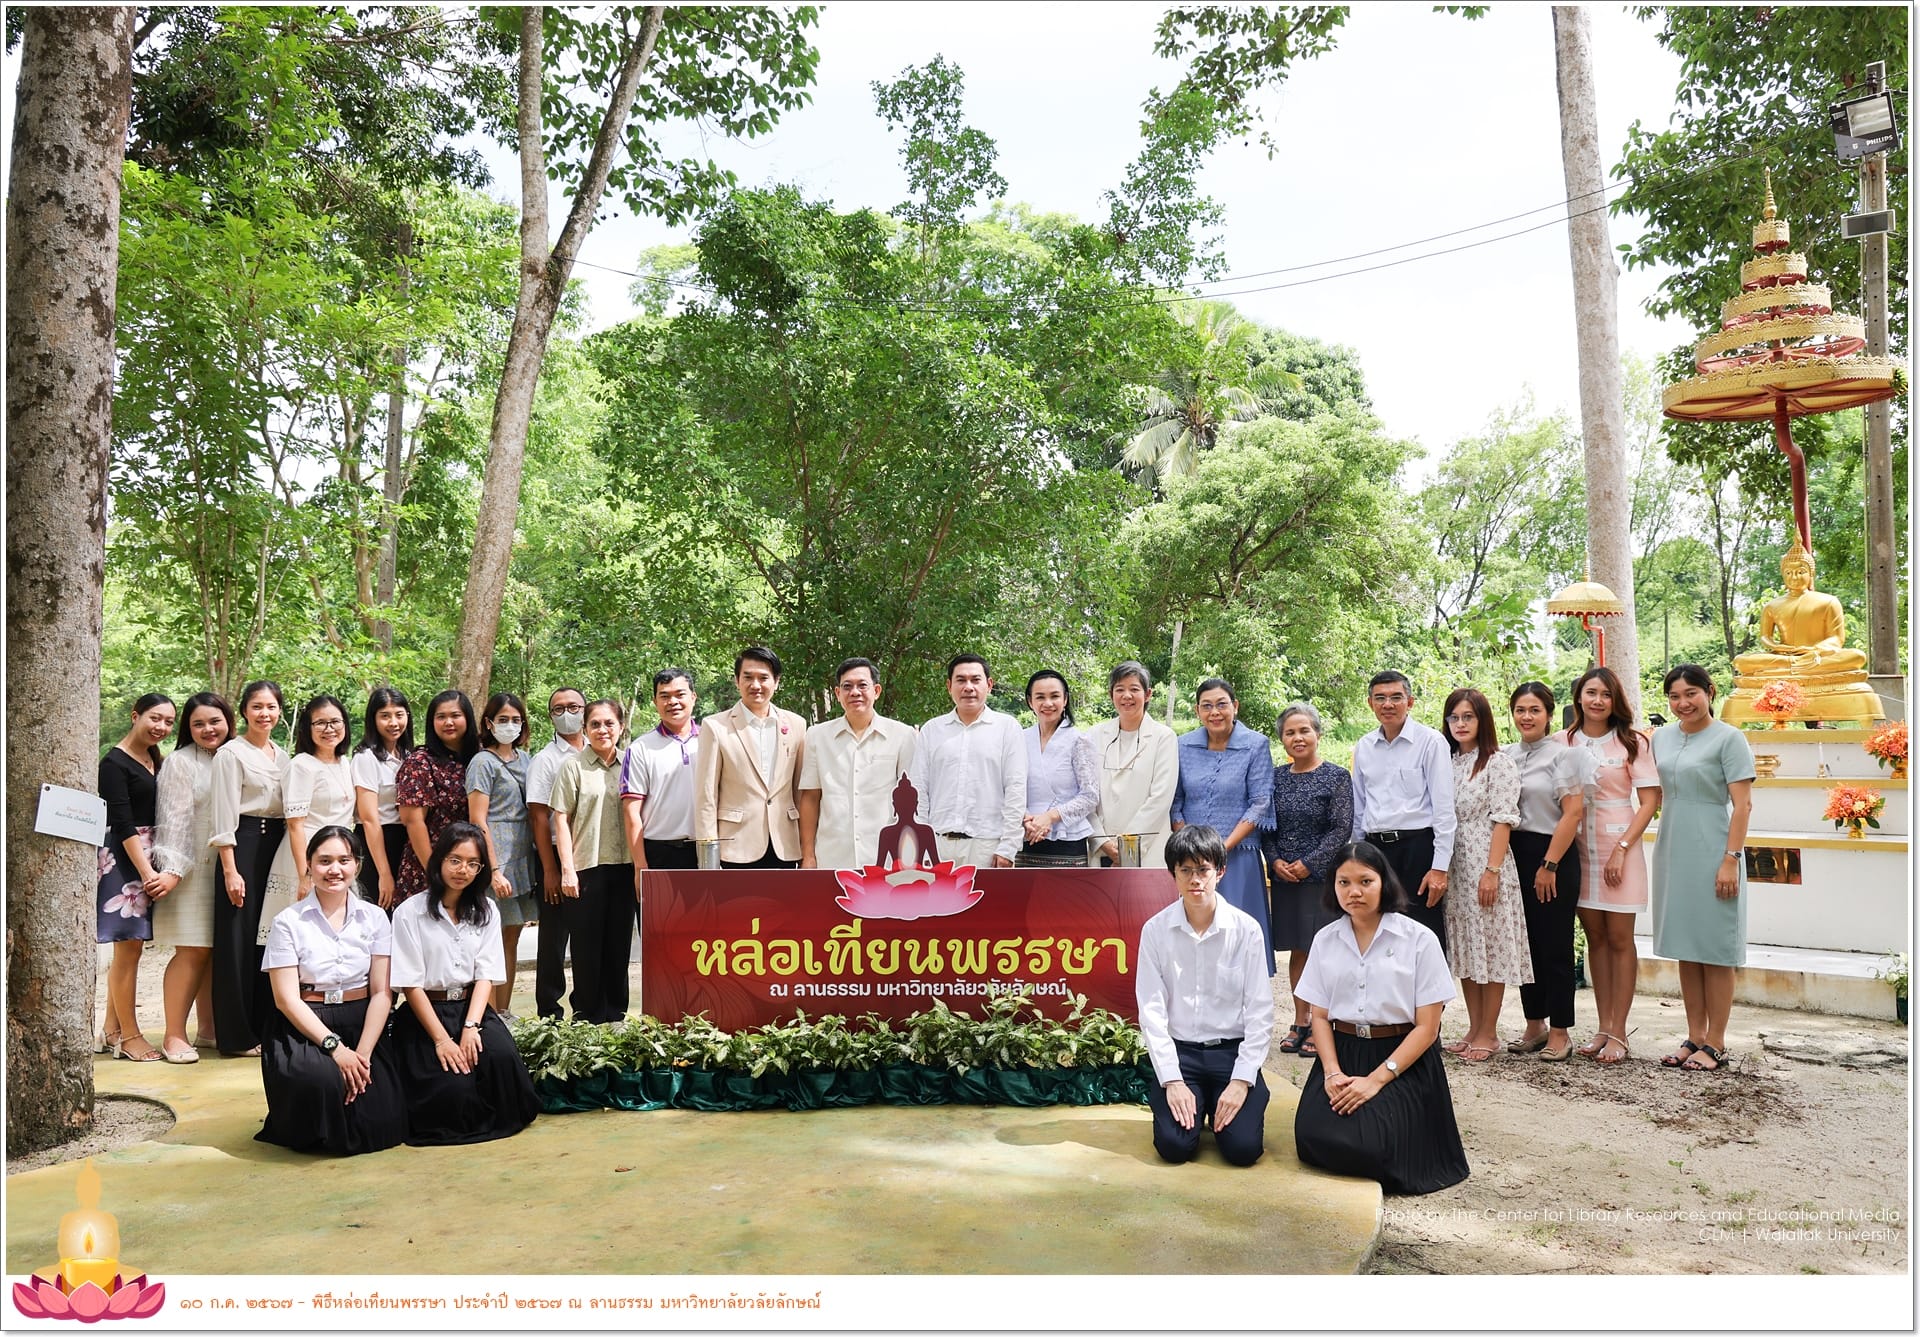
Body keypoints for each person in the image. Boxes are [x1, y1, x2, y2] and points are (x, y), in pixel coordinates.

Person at [1293, 841, 1469, 1196]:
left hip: (1401, 1057)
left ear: (1383, 883)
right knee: (1312, 1136)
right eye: (1344, 882)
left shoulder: (1419, 940)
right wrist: (1331, 1073)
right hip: (1342, 1054)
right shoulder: (1326, 940)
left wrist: (1375, 1080)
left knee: (1371, 1144)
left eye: (1365, 881)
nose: (1354, 892)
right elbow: (1321, 1017)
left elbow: (1428, 1028)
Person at [256, 825, 406, 1155]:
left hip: (362, 1020)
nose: (334, 870)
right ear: (308, 865)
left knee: (383, 1121)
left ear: (357, 865)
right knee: (323, 1086)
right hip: (307, 1023)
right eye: (324, 861)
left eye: (344, 860)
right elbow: (285, 999)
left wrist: (363, 1054)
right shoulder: (287, 922)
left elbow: (382, 993)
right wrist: (336, 1049)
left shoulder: (376, 918)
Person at [390, 822, 541, 1144]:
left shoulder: (486, 910)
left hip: (471, 1008)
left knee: (501, 1065)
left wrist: (471, 1026)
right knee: (452, 1090)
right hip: (425, 1014)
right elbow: (410, 985)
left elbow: (485, 975)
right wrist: (443, 1040)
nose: (463, 870)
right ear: (439, 860)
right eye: (455, 860)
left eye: (473, 863)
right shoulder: (409, 912)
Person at [1135, 825, 1274, 1167]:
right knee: (1175, 1147)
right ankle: (1198, 1105)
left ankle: (1222, 1104)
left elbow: (1260, 1010)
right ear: (1174, 874)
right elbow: (1151, 1011)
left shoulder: (1246, 930)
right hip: (1183, 1056)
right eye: (1185, 870)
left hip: (1232, 1053)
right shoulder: (1155, 931)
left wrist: (1242, 1080)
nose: (1195, 879)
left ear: (1220, 872)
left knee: (1242, 1150)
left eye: (1203, 870)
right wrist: (1172, 1080)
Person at [1651, 665, 1755, 1073]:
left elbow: (1743, 805)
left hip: (1715, 847)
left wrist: (1730, 859)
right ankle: (1694, 1035)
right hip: (1673, 846)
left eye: (1691, 693)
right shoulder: (1660, 738)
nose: (1683, 703)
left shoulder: (1730, 738)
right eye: (1675, 696)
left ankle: (1716, 1042)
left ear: (1710, 692)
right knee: (1686, 947)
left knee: (1715, 949)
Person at [1566, 666, 1659, 1065]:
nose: (1597, 700)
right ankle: (1602, 1027)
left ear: (1615, 699)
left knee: (1620, 938)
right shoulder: (1565, 741)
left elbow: (1651, 801)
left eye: (1605, 694)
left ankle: (1620, 1030)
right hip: (1579, 847)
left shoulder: (1632, 741)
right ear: (1579, 698)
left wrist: (1622, 847)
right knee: (1596, 939)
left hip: (1619, 845)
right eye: (1591, 693)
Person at [1503, 682, 1594, 1062]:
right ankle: (1534, 1023)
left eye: (1534, 710)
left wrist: (1550, 864)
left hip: (1552, 854)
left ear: (1549, 714)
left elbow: (1573, 812)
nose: (1527, 717)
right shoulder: (1505, 755)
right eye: (1521, 710)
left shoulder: (1565, 757)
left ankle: (1560, 1030)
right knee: (1525, 945)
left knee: (1554, 944)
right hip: (1515, 854)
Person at [1439, 688, 1532, 1061]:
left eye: (1468, 717)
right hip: (1454, 863)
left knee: (1489, 947)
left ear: (1482, 720)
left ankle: (1489, 1032)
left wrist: (1491, 871)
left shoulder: (1498, 762)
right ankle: (1473, 1026)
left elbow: (1503, 819)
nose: (1460, 724)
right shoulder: (1445, 761)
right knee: (1465, 945)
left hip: (1485, 860)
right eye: (1454, 718)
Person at [1261, 702, 1352, 1059]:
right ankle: (1299, 1021)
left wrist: (1309, 863)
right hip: (1284, 877)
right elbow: (1266, 827)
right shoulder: (1276, 778)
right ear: (1282, 739)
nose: (1298, 738)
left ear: (1317, 734)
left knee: (1322, 950)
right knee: (1298, 950)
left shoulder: (1336, 776)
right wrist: (1276, 861)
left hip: (1321, 877)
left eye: (1304, 730)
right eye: (1290, 732)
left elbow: (1340, 829)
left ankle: (1320, 1021)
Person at [208, 679, 290, 1057]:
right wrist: (230, 868)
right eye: (257, 707)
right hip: (243, 847)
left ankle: (266, 1026)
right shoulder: (231, 754)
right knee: (238, 942)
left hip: (278, 847)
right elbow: (223, 815)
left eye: (271, 707)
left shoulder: (284, 755)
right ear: (243, 711)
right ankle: (237, 1035)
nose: (265, 714)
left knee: (270, 938)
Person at [149, 692, 233, 1062]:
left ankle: (210, 1028)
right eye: (198, 723)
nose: (207, 729)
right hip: (190, 867)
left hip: (228, 867)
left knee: (215, 951)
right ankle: (173, 1035)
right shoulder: (180, 763)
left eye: (214, 721)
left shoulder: (235, 756)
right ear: (188, 728)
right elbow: (174, 820)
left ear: (228, 720)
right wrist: (173, 869)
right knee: (193, 949)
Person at [1350, 670, 1455, 958]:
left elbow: (1444, 810)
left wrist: (1440, 868)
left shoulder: (1431, 742)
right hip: (1374, 850)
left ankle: (1429, 1003)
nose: (1388, 704)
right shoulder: (1364, 747)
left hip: (1417, 848)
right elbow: (1360, 807)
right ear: (1370, 703)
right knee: (1378, 929)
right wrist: (1357, 856)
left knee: (1423, 931)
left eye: (1396, 697)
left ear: (1409, 702)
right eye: (1380, 698)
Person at [1170, 678, 1274, 969]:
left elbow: (1260, 802)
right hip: (1191, 860)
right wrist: (1191, 847)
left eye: (1221, 704)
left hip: (1237, 856)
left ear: (1235, 707)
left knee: (1239, 934)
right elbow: (1175, 800)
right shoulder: (1182, 745)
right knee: (1194, 931)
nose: (1215, 712)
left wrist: (1220, 849)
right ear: (1197, 711)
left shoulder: (1255, 745)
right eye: (1207, 706)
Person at [96, 693, 177, 1062]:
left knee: (131, 949)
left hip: (149, 854)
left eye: (168, 721)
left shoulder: (153, 759)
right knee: (128, 949)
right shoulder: (114, 763)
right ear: (135, 716)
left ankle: (111, 1030)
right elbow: (123, 823)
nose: (161, 726)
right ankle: (130, 1036)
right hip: (128, 858)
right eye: (155, 718)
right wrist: (146, 872)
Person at [550, 699, 636, 1022]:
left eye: (609, 723)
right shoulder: (574, 767)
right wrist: (567, 869)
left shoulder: (630, 763)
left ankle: (616, 1016)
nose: (602, 730)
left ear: (621, 727)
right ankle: (586, 1016)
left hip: (624, 868)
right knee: (586, 951)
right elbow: (560, 819)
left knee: (618, 948)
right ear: (585, 729)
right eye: (595, 724)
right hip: (585, 869)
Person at [905, 654, 1027, 869]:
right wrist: (919, 842)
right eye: (961, 680)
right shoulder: (932, 730)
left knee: (990, 904)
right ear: (949, 686)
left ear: (989, 685)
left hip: (987, 846)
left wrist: (1008, 846)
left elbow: (1015, 789)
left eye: (975, 680)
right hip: (937, 845)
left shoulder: (1007, 728)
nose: (968, 687)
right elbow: (919, 790)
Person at [694, 646, 807, 869]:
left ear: (776, 682)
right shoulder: (715, 726)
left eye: (763, 678)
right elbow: (706, 796)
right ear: (737, 681)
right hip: (735, 847)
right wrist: (708, 860)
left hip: (784, 846)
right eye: (748, 677)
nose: (755, 685)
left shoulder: (796, 725)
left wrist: (807, 849)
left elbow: (800, 791)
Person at [798, 658, 917, 870]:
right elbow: (810, 797)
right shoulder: (817, 736)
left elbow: (912, 798)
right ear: (837, 693)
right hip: (832, 856)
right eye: (847, 686)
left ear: (877, 690)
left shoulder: (903, 735)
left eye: (862, 685)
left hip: (887, 858)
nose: (855, 692)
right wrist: (808, 855)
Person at [259, 695, 356, 934]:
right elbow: (294, 825)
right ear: (307, 728)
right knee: (303, 930)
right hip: (307, 856)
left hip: (339, 855)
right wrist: (305, 874)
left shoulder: (344, 762)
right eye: (320, 723)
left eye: (335, 721)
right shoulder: (301, 765)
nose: (329, 729)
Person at [467, 692, 537, 1018]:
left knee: (512, 936)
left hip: (524, 858)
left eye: (515, 719)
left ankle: (505, 1011)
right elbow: (478, 819)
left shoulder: (526, 760)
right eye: (503, 719)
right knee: (491, 939)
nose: (509, 725)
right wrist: (493, 870)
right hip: (497, 860)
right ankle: (488, 1015)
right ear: (489, 723)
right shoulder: (482, 762)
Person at [525, 687, 586, 1020]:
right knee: (553, 940)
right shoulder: (545, 760)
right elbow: (538, 817)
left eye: (574, 707)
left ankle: (585, 1006)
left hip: (589, 853)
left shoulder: (598, 750)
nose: (567, 714)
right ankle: (549, 1010)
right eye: (559, 709)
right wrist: (550, 869)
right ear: (550, 716)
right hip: (552, 855)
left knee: (585, 936)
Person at [1084, 661, 1177, 867]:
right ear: (1111, 695)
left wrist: (1127, 851)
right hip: (1102, 849)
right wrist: (1102, 841)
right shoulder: (1094, 736)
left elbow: (1160, 798)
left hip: (1148, 850)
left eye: (1134, 689)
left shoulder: (1164, 737)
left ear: (1148, 694)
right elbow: (1085, 794)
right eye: (1120, 689)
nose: (1127, 696)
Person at [394, 690, 478, 903]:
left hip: (470, 867)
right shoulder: (420, 762)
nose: (448, 722)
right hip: (428, 867)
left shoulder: (480, 759)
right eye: (441, 717)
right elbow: (413, 821)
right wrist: (435, 872)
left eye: (455, 715)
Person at [1016, 670, 1100, 868]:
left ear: (1065, 700)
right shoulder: (1019, 738)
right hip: (1026, 835)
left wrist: (1050, 817)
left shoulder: (1079, 740)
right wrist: (1027, 819)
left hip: (1067, 839)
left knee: (1068, 899)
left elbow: (1090, 796)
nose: (1048, 703)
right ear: (1030, 701)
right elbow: (1009, 787)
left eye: (1054, 696)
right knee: (1025, 898)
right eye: (1040, 697)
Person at [624, 669, 703, 876]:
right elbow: (631, 812)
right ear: (655, 701)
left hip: (706, 850)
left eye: (680, 694)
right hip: (659, 852)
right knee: (658, 909)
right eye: (665, 696)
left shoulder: (711, 741)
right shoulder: (640, 748)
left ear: (693, 697)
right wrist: (640, 864)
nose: (673, 702)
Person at [351, 687, 414, 909]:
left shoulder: (409, 756)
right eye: (385, 716)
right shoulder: (365, 757)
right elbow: (369, 820)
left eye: (399, 714)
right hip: (376, 842)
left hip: (405, 840)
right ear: (373, 719)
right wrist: (384, 873)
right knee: (377, 913)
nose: (393, 722)